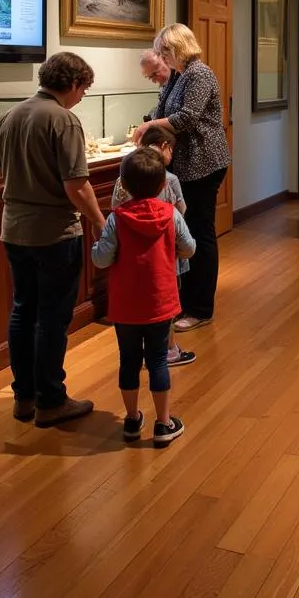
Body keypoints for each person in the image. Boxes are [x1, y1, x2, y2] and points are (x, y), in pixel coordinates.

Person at [0, 52, 106, 426]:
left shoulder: (10, 115)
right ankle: (51, 399)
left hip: (14, 229)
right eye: (84, 89)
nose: (82, 96)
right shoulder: (64, 120)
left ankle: (23, 397)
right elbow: (77, 186)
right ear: (72, 83)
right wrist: (101, 221)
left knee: (23, 311)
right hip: (54, 232)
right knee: (53, 319)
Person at [92, 147, 196, 447]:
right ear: (164, 184)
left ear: (122, 185)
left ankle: (132, 418)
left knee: (128, 361)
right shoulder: (171, 214)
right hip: (161, 302)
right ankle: (163, 423)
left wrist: (95, 248)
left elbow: (102, 259)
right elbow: (189, 248)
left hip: (125, 305)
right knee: (158, 361)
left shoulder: (117, 219)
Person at [134, 23, 230, 332]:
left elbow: (187, 118)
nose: (162, 58)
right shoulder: (178, 75)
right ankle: (184, 301)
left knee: (199, 232)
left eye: (164, 51)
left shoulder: (199, 74)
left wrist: (147, 129)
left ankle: (200, 308)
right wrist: (148, 126)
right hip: (185, 164)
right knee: (184, 233)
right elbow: (162, 111)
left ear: (177, 48)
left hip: (203, 162)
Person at [111, 123, 196, 367]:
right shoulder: (170, 180)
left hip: (131, 257)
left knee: (138, 300)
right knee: (167, 304)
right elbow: (182, 211)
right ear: (165, 146)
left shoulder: (123, 177)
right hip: (166, 255)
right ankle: (168, 350)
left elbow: (115, 208)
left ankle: (139, 350)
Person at [139, 48, 177, 121]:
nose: (154, 81)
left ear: (165, 61)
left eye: (155, 74)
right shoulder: (165, 86)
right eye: (150, 77)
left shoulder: (182, 79)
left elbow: (183, 118)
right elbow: (159, 112)